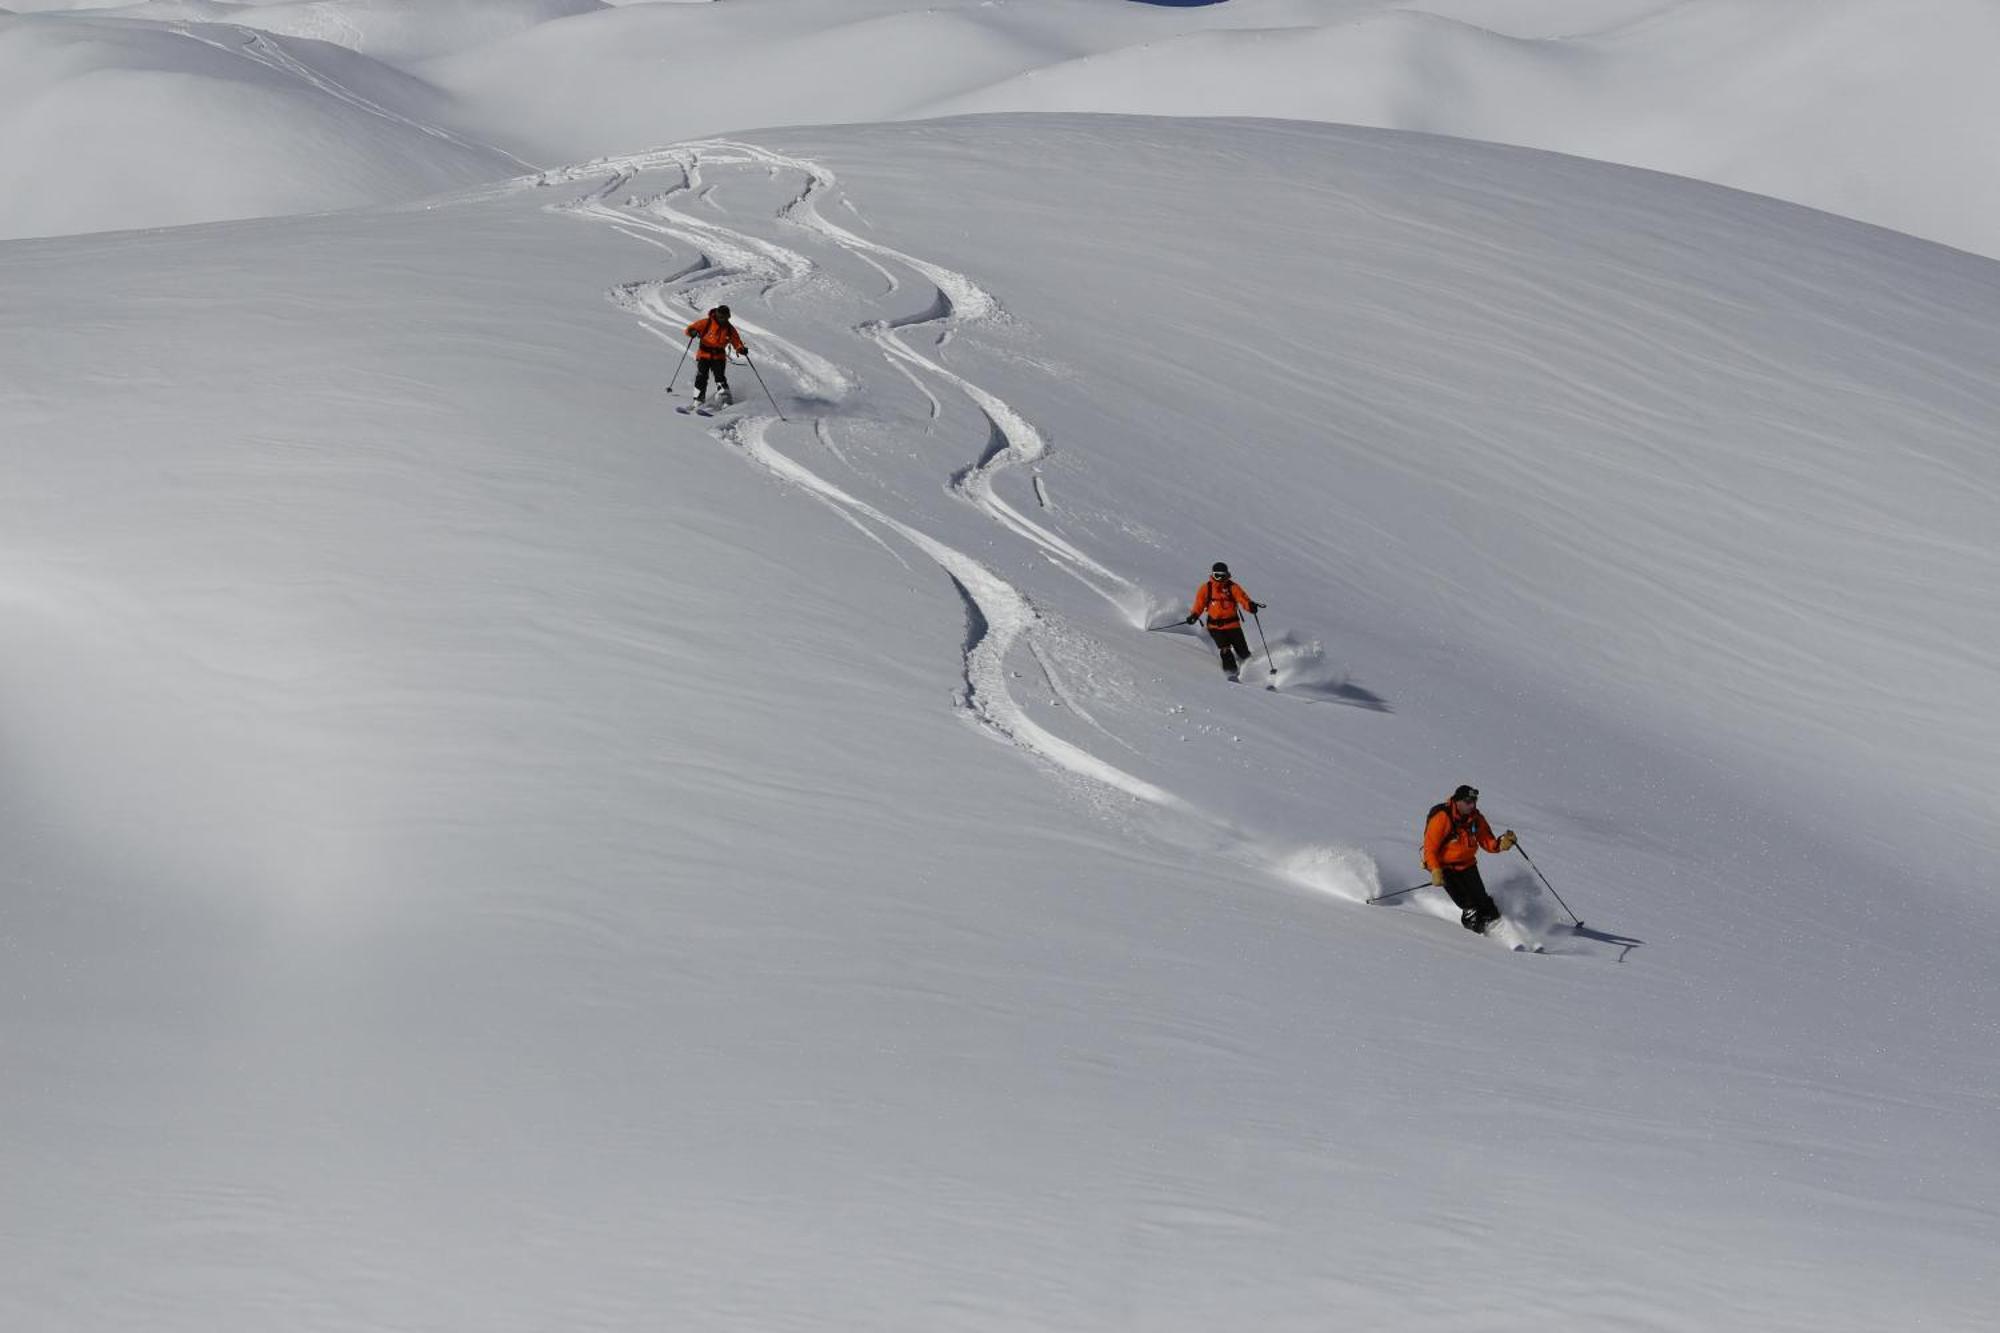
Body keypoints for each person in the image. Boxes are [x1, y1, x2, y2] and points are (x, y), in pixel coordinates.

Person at [1422, 784, 1517, 934]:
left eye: (1474, 801)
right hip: (1444, 867)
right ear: (1457, 801)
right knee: (1468, 903)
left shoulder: (1476, 819)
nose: (1471, 805)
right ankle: (1480, 934)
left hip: (1467, 865)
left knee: (1483, 901)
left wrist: (1502, 843)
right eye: (1468, 802)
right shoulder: (1442, 818)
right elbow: (1430, 848)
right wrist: (1435, 870)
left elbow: (1488, 842)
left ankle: (1499, 925)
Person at [1185, 561, 1262, 678]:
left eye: (1223, 576)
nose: (1220, 579)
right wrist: (1194, 615)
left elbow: (1243, 599)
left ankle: (1256, 673)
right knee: (1225, 650)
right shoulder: (1206, 588)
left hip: (1233, 626)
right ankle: (1232, 673)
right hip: (1215, 627)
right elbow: (1199, 604)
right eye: (1217, 576)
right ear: (1212, 575)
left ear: (1227, 575)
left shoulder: (1233, 587)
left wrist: (1250, 606)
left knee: (1243, 652)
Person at [684, 305, 747, 406]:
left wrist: (741, 349)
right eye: (721, 317)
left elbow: (736, 341)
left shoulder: (730, 329)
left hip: (719, 357)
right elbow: (690, 329)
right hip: (704, 355)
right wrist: (692, 332)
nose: (723, 319)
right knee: (701, 376)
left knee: (720, 378)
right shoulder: (706, 323)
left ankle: (726, 400)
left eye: (726, 317)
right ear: (717, 315)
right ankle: (698, 399)